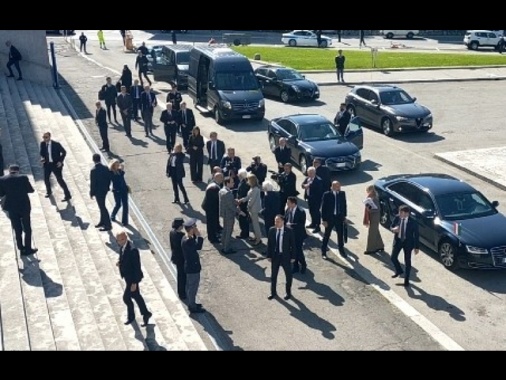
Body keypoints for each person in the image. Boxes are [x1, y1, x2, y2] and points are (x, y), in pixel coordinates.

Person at [115, 231, 152, 326]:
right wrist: (120, 263)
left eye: (119, 240)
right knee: (136, 296)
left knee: (126, 298)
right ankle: (146, 313)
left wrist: (135, 283)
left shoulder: (133, 250)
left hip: (132, 278)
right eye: (117, 240)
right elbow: (123, 257)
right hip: (127, 277)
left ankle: (131, 316)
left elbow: (137, 267)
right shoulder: (123, 246)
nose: (118, 242)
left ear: (125, 238)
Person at [0, 164, 37, 255]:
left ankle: (20, 247)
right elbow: (31, 190)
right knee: (27, 228)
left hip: (12, 207)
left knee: (17, 228)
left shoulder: (2, 179)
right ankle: (28, 248)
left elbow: (1, 194)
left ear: (9, 170)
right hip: (24, 206)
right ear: (18, 171)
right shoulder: (23, 178)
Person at [267, 214, 296, 301]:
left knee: (288, 275)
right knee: (273, 275)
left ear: (283, 222)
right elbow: (270, 244)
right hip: (275, 256)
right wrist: (269, 255)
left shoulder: (289, 231)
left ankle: (288, 292)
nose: (276, 223)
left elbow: (293, 245)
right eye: (275, 221)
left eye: (278, 221)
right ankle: (273, 292)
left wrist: (293, 256)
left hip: (285, 257)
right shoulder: (272, 230)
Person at [390, 205, 419, 287]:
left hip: (408, 243)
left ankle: (406, 281)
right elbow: (391, 226)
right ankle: (399, 271)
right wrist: (393, 229)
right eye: (400, 212)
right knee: (393, 257)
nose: (401, 214)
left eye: (403, 213)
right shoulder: (397, 218)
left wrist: (417, 247)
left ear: (407, 214)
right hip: (398, 241)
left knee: (407, 261)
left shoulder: (413, 222)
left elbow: (416, 235)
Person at [181, 218, 206, 313]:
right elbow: (198, 246)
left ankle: (192, 302)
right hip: (192, 267)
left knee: (191, 286)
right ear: (191, 229)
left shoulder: (187, 238)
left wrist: (195, 233)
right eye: (194, 227)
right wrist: (198, 234)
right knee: (193, 287)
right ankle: (192, 306)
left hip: (190, 266)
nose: (196, 228)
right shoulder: (188, 240)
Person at [39, 132, 72, 201]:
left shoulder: (56, 144)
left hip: (55, 164)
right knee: (46, 179)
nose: (45, 139)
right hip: (47, 164)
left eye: (46, 137)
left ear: (49, 137)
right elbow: (42, 153)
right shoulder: (42, 144)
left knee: (60, 180)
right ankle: (49, 191)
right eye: (44, 137)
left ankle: (67, 195)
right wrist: (42, 158)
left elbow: (64, 152)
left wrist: (60, 161)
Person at [321, 180, 347, 259]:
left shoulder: (342, 194)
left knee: (340, 235)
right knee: (327, 235)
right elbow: (323, 208)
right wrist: (324, 220)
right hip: (330, 218)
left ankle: (341, 249)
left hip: (339, 218)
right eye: (336, 186)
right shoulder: (327, 194)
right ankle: (323, 251)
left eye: (339, 186)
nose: (338, 187)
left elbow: (344, 206)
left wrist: (344, 217)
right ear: (332, 187)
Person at [237, 174, 262, 246]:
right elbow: (248, 197)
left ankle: (258, 239)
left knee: (255, 224)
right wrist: (241, 200)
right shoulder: (253, 188)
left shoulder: (255, 189)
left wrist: (248, 206)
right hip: (252, 209)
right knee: (254, 224)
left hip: (253, 209)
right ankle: (257, 237)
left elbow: (251, 200)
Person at [90, 153, 112, 231]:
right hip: (105, 190)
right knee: (102, 206)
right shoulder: (106, 168)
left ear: (93, 160)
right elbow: (109, 179)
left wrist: (91, 193)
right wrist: (107, 187)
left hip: (98, 192)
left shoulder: (93, 170)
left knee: (102, 207)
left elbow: (93, 183)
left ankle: (108, 225)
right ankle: (102, 221)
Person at [285, 196, 307, 274]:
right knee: (292, 251)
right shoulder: (288, 210)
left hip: (298, 235)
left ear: (293, 203)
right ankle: (295, 266)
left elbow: (301, 224)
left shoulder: (301, 211)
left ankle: (303, 264)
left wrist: (291, 225)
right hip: (290, 235)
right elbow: (286, 219)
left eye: (288, 203)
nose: (287, 204)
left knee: (298, 251)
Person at [202, 172, 223, 244]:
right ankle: (212, 238)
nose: (222, 179)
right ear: (216, 178)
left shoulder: (213, 184)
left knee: (212, 222)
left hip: (210, 207)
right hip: (211, 208)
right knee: (211, 223)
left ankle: (214, 234)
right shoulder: (214, 187)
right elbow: (216, 199)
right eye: (221, 178)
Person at [363, 184, 384, 255]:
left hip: (375, 216)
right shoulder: (370, 197)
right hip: (372, 215)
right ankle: (380, 245)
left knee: (372, 232)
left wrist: (369, 208)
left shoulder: (375, 198)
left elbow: (377, 209)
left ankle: (371, 249)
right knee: (375, 231)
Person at [301, 166, 324, 233]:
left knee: (316, 212)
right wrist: (304, 186)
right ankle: (313, 223)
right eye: (309, 173)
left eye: (311, 173)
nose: (310, 174)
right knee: (311, 211)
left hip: (316, 200)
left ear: (314, 172)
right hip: (309, 198)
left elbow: (319, 191)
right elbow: (302, 184)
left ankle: (317, 226)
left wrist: (310, 186)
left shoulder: (318, 180)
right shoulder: (307, 178)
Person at [219, 176, 238, 254]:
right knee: (229, 231)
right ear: (227, 183)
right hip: (229, 214)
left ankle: (223, 245)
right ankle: (226, 248)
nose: (233, 183)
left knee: (225, 230)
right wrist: (239, 212)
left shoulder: (221, 190)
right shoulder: (228, 193)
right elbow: (231, 206)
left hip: (224, 213)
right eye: (232, 182)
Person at [169, 217, 187, 300]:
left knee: (180, 275)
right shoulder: (181, 236)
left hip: (176, 257)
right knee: (182, 276)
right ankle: (182, 293)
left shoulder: (172, 232)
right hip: (181, 258)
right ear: (180, 226)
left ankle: (181, 291)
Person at [109, 159, 129, 227]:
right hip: (117, 191)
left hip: (123, 190)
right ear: (113, 166)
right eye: (117, 165)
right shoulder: (111, 173)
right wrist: (122, 171)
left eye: (118, 165)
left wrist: (121, 170)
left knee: (125, 205)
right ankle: (113, 215)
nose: (118, 166)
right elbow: (118, 179)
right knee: (118, 204)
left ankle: (125, 221)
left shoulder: (119, 171)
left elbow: (122, 179)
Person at [235, 168, 250, 240]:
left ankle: (244, 234)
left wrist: (238, 202)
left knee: (243, 219)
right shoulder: (245, 182)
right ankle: (245, 233)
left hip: (243, 204)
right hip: (244, 203)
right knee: (244, 219)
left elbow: (241, 194)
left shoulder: (244, 184)